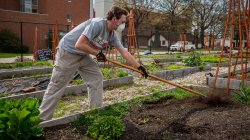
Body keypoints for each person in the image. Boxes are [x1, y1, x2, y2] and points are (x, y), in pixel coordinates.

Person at [39, 6, 148, 121]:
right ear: (114, 19)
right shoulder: (97, 24)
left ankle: (95, 112)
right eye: (122, 22)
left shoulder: (112, 35)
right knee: (57, 85)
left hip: (83, 54)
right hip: (68, 52)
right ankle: (42, 121)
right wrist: (97, 53)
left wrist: (139, 67)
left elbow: (124, 52)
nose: (123, 25)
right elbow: (79, 44)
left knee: (96, 78)